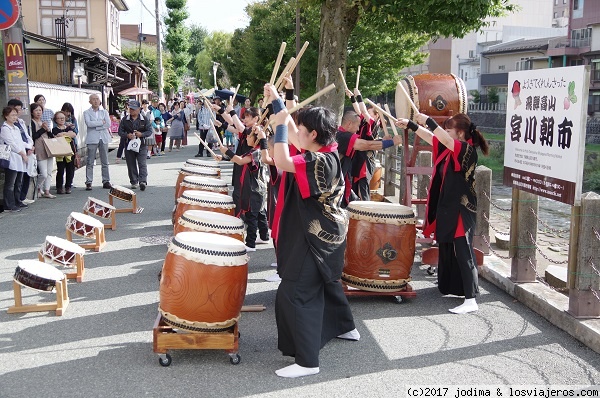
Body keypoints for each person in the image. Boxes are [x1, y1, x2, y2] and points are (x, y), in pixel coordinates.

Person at [263, 84, 359, 378]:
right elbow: (293, 130)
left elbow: (281, 159)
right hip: (325, 234)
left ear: (313, 135)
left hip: (314, 238)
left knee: (295, 293)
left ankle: (307, 362)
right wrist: (279, 103)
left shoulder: (318, 161)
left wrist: (278, 127)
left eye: (303, 130)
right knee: (326, 285)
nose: (297, 134)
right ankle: (345, 327)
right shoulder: (326, 150)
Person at [395, 113, 489, 314]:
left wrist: (428, 120)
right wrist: (412, 125)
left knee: (463, 250)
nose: (445, 134)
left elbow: (442, 138)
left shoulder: (465, 149)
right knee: (448, 245)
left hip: (462, 207)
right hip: (450, 205)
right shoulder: (449, 149)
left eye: (449, 130)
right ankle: (452, 287)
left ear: (460, 133)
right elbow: (434, 138)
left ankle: (471, 298)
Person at [217, 106, 269, 252]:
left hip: (255, 187)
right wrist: (223, 157)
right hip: (254, 186)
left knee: (252, 214)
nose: (246, 137)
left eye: (249, 137)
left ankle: (251, 243)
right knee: (257, 212)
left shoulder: (257, 151)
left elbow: (240, 160)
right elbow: (240, 159)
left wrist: (226, 151)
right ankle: (263, 236)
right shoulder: (254, 149)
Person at [336, 93, 402, 207]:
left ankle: (364, 211)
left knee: (361, 188)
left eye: (370, 111)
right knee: (353, 190)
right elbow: (360, 112)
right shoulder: (345, 134)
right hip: (355, 159)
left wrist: (358, 96)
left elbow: (368, 144)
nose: (358, 128)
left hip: (364, 160)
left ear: (377, 116)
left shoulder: (372, 123)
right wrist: (354, 97)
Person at [118, 100, 152, 191]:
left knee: (142, 163)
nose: (131, 110)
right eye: (130, 109)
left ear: (139, 109)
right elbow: (120, 131)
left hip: (142, 144)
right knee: (131, 164)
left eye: (134, 109)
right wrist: (127, 135)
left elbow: (149, 131)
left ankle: (142, 181)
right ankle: (133, 181)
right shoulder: (125, 119)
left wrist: (141, 134)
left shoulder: (144, 119)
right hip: (129, 144)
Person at [0, 106, 29, 211]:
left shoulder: (16, 128)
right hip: (11, 157)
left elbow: (20, 142)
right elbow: (11, 143)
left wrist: (28, 147)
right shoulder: (4, 129)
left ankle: (17, 201)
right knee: (10, 183)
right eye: (12, 115)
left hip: (20, 157)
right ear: (6, 116)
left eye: (15, 115)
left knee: (18, 182)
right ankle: (9, 205)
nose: (14, 117)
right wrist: (22, 154)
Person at [83, 93, 112, 191]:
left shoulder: (104, 112)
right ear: (90, 101)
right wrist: (100, 123)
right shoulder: (86, 112)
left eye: (97, 99)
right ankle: (89, 181)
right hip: (92, 138)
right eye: (93, 99)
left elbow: (108, 124)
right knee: (90, 160)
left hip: (103, 137)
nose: (96, 101)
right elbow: (89, 123)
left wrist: (96, 125)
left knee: (105, 160)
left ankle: (106, 180)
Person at [7, 99, 34, 203]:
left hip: (26, 151)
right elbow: (15, 142)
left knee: (26, 176)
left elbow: (27, 136)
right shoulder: (7, 127)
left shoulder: (21, 122)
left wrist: (31, 146)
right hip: (18, 154)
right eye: (15, 112)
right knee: (14, 181)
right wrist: (25, 150)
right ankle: (13, 202)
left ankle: (21, 198)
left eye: (20, 110)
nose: (17, 113)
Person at [30, 103, 56, 199]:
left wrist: (48, 130)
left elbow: (51, 136)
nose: (38, 112)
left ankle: (47, 191)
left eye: (40, 110)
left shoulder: (43, 122)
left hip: (47, 148)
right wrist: (42, 129)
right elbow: (34, 136)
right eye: (36, 110)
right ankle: (38, 188)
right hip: (39, 148)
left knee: (49, 172)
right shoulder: (32, 122)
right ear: (32, 112)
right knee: (43, 173)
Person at [52, 111, 78, 194]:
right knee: (60, 170)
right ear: (56, 120)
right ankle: (59, 187)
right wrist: (66, 134)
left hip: (70, 151)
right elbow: (56, 136)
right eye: (59, 118)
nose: (61, 120)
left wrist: (63, 133)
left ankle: (68, 186)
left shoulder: (68, 127)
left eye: (62, 118)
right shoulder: (54, 129)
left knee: (70, 169)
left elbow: (73, 134)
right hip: (60, 151)